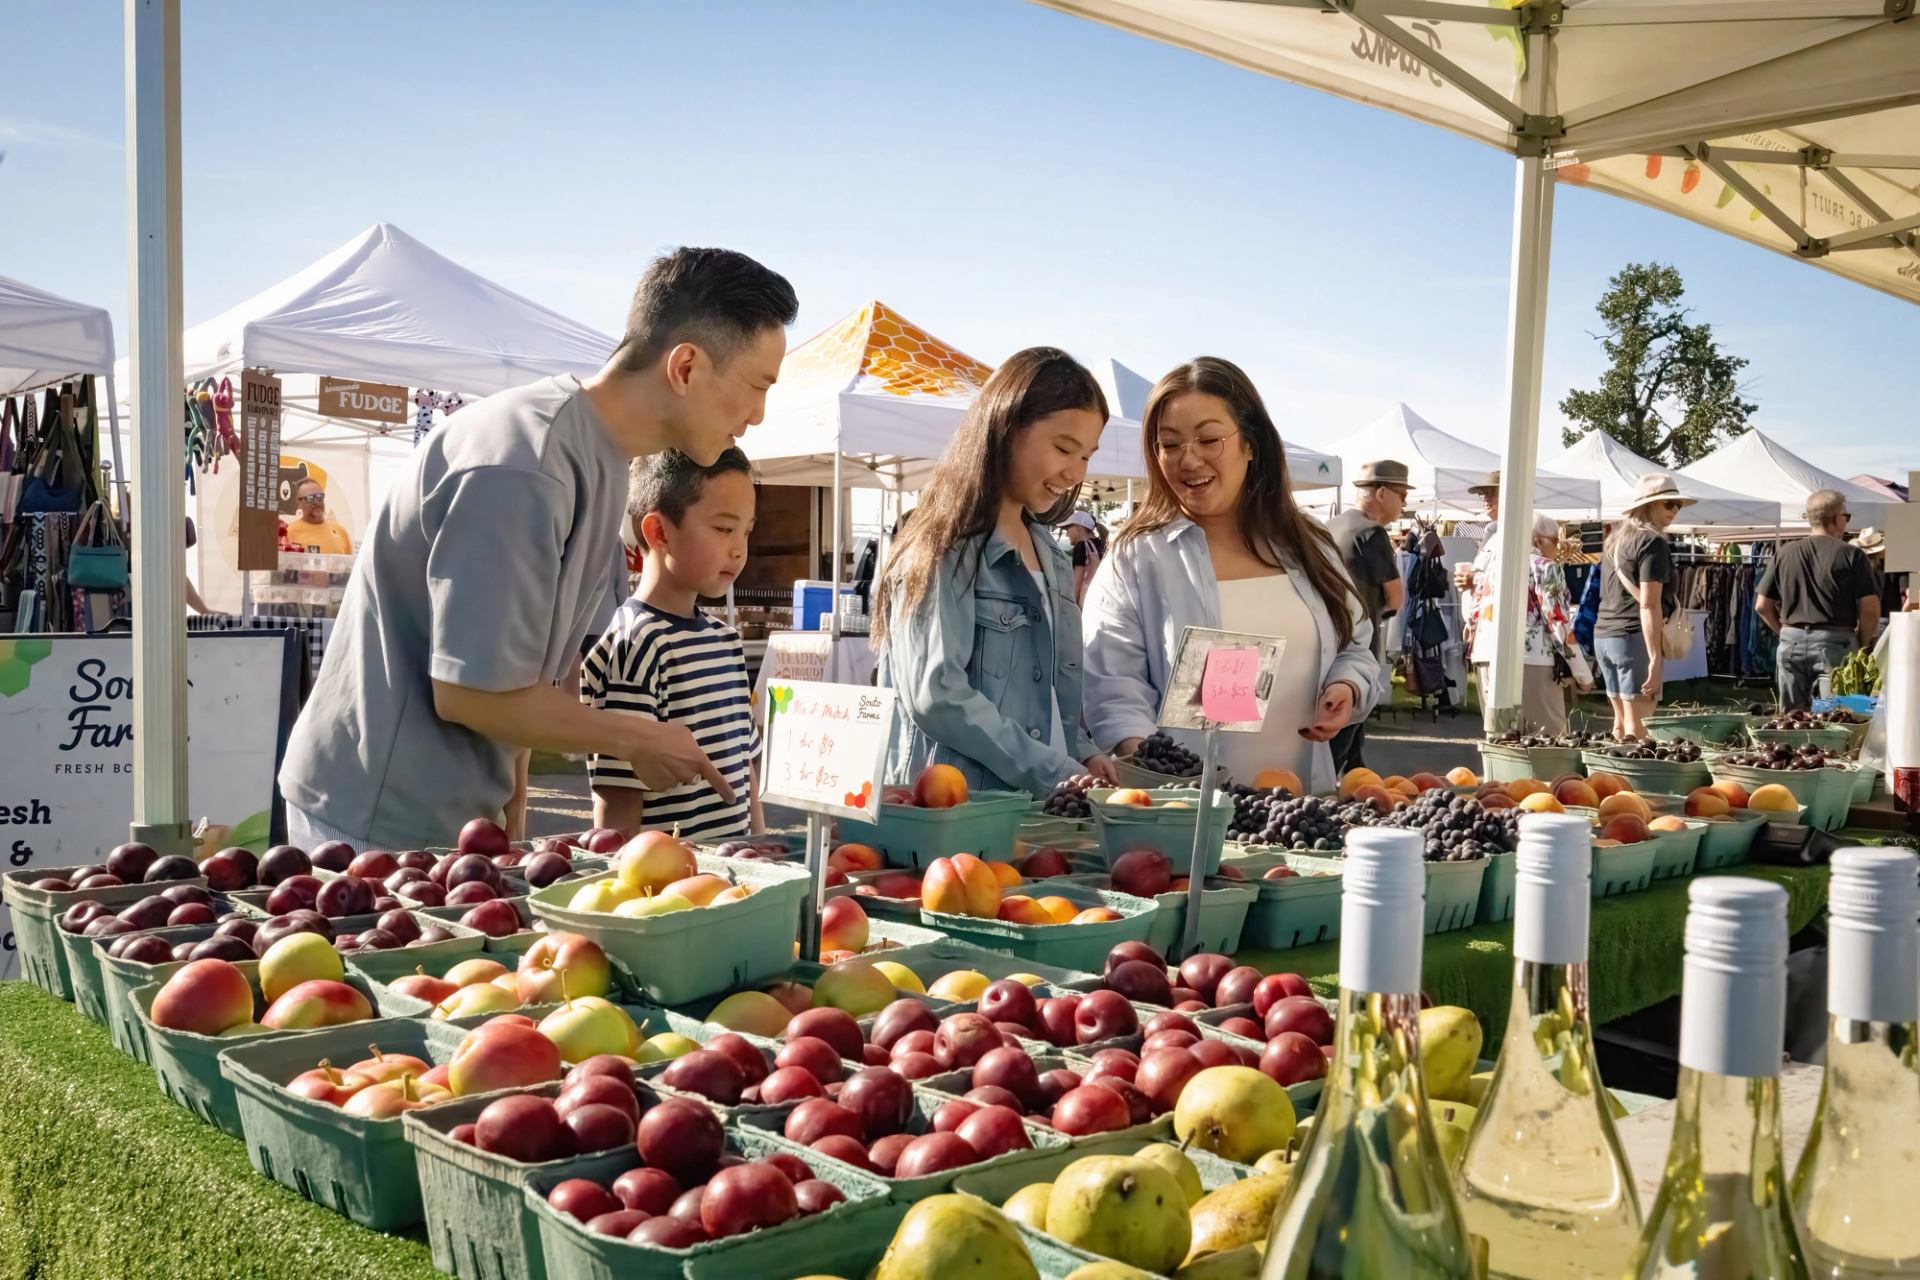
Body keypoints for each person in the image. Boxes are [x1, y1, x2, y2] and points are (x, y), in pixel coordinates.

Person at [278, 247, 797, 851]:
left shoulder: (598, 460)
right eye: (757, 386)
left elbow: (531, 665)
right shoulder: (526, 465)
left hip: (455, 818)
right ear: (685, 367)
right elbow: (471, 691)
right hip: (376, 819)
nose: (758, 415)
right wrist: (637, 737)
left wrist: (515, 793)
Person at [1081, 357, 1382, 792]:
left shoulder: (1308, 545)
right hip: (1189, 822)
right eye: (1169, 444)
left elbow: (1356, 646)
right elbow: (1112, 690)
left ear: (1250, 443)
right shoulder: (1139, 558)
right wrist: (1161, 778)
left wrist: (1347, 686)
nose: (1189, 459)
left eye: (1208, 439)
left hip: (1304, 815)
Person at [873, 347, 1117, 796]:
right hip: (959, 815)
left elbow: (1049, 696)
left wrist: (1083, 752)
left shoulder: (1053, 553)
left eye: (1086, 455)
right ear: (1006, 427)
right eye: (1064, 448)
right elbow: (938, 695)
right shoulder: (942, 547)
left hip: (1041, 813)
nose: (1075, 471)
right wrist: (1052, 769)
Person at [581, 448, 762, 840]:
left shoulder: (727, 641)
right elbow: (618, 806)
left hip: (738, 884)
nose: (739, 548)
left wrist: (761, 851)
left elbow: (745, 772)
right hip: (664, 891)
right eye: (724, 528)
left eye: (747, 531)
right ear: (659, 532)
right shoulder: (634, 647)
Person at [1462, 512, 1593, 734]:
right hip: (1532, 660)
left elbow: (1472, 615)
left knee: (1501, 737)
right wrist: (1583, 673)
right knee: (1547, 739)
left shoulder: (1494, 566)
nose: (1558, 548)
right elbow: (1558, 623)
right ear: (1539, 541)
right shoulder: (1546, 566)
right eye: (1556, 541)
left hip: (1486, 656)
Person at [1756, 488, 1882, 711]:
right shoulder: (1852, 554)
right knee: (1840, 715)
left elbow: (1762, 606)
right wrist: (1861, 645)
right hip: (1836, 641)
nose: (1846, 523)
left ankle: (1794, 745)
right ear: (1834, 519)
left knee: (1794, 718)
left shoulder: (1784, 553)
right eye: (1846, 517)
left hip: (1791, 641)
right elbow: (1870, 609)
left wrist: (1784, 632)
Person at [1326, 459, 1409, 771]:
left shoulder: (1330, 527)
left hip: (1324, 645)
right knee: (1343, 739)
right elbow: (1395, 597)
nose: (1404, 505)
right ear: (1382, 493)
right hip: (1357, 650)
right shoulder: (1371, 533)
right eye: (1402, 496)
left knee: (1344, 748)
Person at [1595, 474, 1692, 738]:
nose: (1675, 510)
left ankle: (1610, 779)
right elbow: (1649, 605)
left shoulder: (1615, 541)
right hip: (1632, 637)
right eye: (1669, 504)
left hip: (1605, 635)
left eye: (1678, 505)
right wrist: (1655, 659)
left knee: (1620, 725)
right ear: (1648, 504)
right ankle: (1630, 780)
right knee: (1638, 728)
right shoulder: (1653, 542)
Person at [284, 478, 354, 555]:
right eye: (310, 498)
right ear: (299, 503)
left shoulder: (341, 532)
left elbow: (351, 565)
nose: (316, 501)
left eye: (319, 496)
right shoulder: (289, 533)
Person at [1063, 510, 1103, 603]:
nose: (1067, 533)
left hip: (1086, 602)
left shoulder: (1081, 546)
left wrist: (1073, 604)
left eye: (1068, 529)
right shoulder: (1101, 543)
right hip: (1100, 600)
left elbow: (1077, 581)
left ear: (1079, 527)